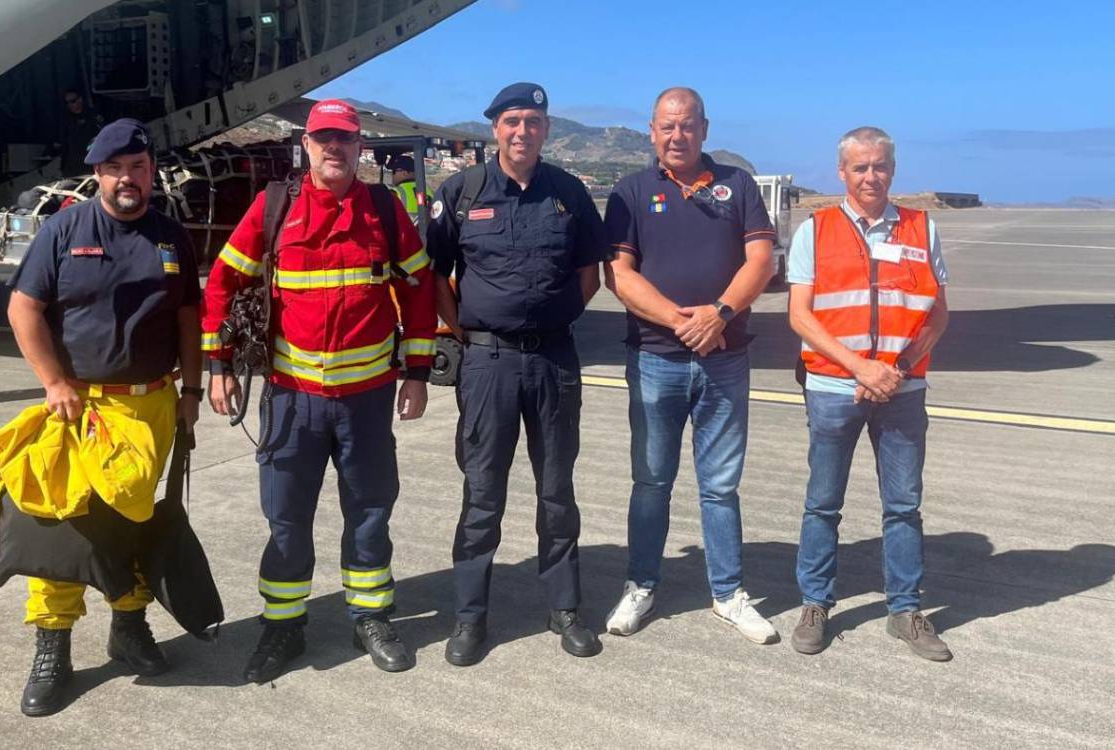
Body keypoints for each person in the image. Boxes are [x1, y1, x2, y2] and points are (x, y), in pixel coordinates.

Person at [202, 99, 437, 683]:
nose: (335, 148)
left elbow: (419, 289)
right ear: (306, 146)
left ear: (361, 148)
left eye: (346, 139)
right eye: (324, 138)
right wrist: (218, 364)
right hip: (291, 398)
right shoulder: (275, 207)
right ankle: (284, 627)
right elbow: (221, 282)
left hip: (366, 399)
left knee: (370, 512)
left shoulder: (384, 210)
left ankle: (372, 615)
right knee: (286, 519)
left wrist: (416, 371)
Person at [4, 118, 204, 713]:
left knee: (136, 523)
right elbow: (23, 309)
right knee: (63, 527)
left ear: (150, 174)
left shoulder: (172, 237)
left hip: (151, 405)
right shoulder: (64, 230)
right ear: (98, 173)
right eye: (116, 169)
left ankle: (129, 627)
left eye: (138, 169)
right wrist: (54, 381)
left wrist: (191, 392)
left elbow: (189, 319)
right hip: (79, 407)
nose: (128, 179)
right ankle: (53, 645)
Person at [426, 82, 608, 666]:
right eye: (511, 121)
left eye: (532, 121)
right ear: (494, 130)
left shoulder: (570, 193)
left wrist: (553, 322)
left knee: (557, 492)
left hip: (553, 360)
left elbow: (588, 277)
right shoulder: (462, 191)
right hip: (488, 364)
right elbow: (435, 276)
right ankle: (471, 617)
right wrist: (461, 332)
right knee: (483, 494)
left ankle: (564, 609)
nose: (522, 131)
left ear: (546, 130)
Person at [601, 87, 779, 644]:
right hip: (656, 360)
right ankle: (641, 585)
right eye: (666, 127)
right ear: (652, 132)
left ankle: (727, 593)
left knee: (720, 486)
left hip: (726, 360)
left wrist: (721, 313)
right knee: (651, 481)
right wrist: (684, 321)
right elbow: (619, 275)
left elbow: (762, 259)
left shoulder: (738, 184)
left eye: (687, 126)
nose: (677, 136)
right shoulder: (631, 191)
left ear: (705, 128)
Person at [786, 126, 952, 661]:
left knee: (903, 505)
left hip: (901, 388)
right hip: (835, 387)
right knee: (823, 502)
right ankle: (816, 603)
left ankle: (904, 610)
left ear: (893, 169)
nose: (871, 176)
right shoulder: (817, 229)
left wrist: (895, 369)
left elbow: (937, 313)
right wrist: (861, 368)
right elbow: (800, 316)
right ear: (842, 172)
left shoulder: (921, 228)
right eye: (860, 167)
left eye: (879, 166)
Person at [55, 88, 104, 178]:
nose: (70, 105)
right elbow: (64, 144)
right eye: (67, 103)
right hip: (72, 167)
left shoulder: (93, 116)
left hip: (91, 164)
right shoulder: (66, 120)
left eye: (73, 101)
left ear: (80, 99)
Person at [389, 153, 421, 223]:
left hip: (405, 232)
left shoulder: (395, 192)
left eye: (394, 171)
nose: (392, 175)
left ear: (405, 173)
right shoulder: (428, 189)